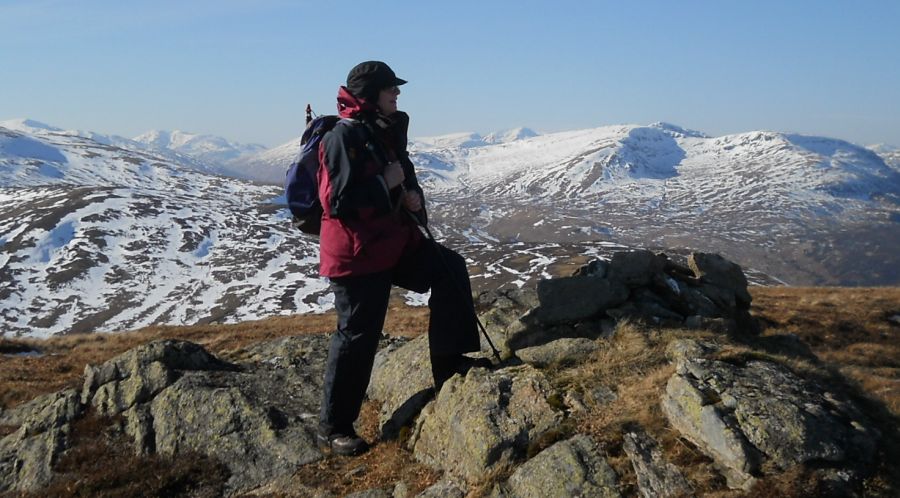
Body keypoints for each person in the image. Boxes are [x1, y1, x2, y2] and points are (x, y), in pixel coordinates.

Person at [316, 61, 491, 456]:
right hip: (357, 255)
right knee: (358, 335)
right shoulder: (342, 138)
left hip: (392, 243)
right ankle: (334, 428)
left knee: (449, 268)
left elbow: (402, 181)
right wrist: (385, 185)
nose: (397, 94)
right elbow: (338, 202)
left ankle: (449, 366)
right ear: (370, 95)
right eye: (390, 89)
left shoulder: (382, 133)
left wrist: (412, 198)